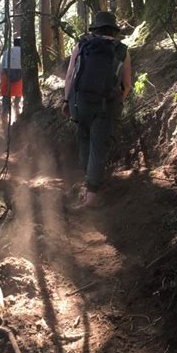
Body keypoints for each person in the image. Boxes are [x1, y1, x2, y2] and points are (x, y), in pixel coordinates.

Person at [63, 11, 131, 208]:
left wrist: (66, 101)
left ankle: (88, 185)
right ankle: (91, 195)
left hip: (79, 103)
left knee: (84, 140)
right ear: (113, 30)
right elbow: (126, 85)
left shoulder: (82, 45)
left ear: (95, 29)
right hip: (105, 106)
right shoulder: (122, 51)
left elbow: (69, 76)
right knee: (98, 148)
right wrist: (117, 102)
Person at [0, 37, 23, 120]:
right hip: (20, 74)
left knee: (6, 97)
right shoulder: (23, 52)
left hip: (7, 73)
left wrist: (1, 78)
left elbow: (2, 67)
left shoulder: (7, 51)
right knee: (18, 94)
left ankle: (4, 117)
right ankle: (17, 111)